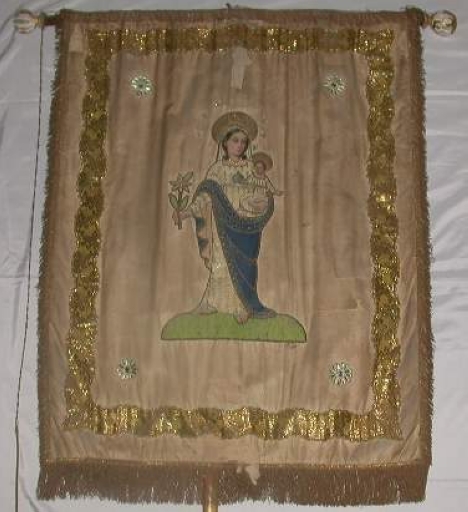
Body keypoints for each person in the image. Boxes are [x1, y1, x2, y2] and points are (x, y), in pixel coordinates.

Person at [174, 111, 276, 324]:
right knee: (222, 263)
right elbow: (205, 196)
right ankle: (212, 302)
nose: (239, 146)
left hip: (247, 226)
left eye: (243, 142)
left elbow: (260, 190)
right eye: (235, 140)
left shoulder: (251, 168)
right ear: (225, 143)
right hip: (223, 225)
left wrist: (258, 202)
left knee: (246, 265)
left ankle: (243, 306)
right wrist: (186, 212)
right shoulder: (217, 170)